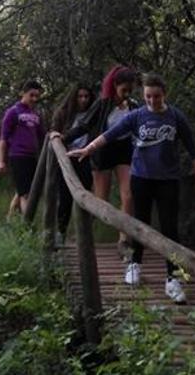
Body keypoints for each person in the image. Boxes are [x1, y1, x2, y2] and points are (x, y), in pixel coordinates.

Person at [67, 74, 195, 304]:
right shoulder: (137, 116)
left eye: (156, 96)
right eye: (148, 96)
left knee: (169, 228)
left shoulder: (175, 116)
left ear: (164, 94)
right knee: (139, 223)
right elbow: (110, 134)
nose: (152, 101)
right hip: (141, 177)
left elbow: (191, 146)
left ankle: (173, 277)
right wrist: (88, 149)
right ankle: (135, 264)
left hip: (167, 179)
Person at [58, 65, 139, 258]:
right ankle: (83, 233)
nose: (126, 94)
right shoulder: (103, 104)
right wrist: (63, 138)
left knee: (128, 195)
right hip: (102, 151)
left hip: (124, 151)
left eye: (130, 90)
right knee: (100, 199)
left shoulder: (134, 106)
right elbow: (85, 125)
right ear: (115, 86)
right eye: (123, 90)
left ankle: (124, 240)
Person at [49, 84, 95, 245]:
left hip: (85, 158)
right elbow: (54, 132)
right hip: (67, 158)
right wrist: (56, 136)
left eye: (86, 96)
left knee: (85, 196)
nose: (83, 100)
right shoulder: (64, 113)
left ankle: (83, 236)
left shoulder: (93, 115)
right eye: (80, 96)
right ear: (74, 97)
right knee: (65, 197)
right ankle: (61, 232)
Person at [0, 80, 45, 216]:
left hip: (32, 157)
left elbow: (43, 135)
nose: (34, 99)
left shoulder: (36, 115)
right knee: (26, 194)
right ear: (24, 93)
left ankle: (10, 220)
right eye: (32, 95)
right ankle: (29, 229)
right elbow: (3, 138)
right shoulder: (13, 112)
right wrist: (1, 160)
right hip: (17, 156)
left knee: (21, 190)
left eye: (37, 96)